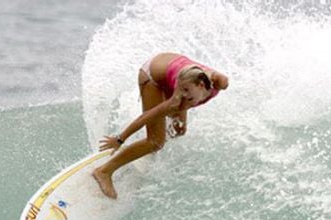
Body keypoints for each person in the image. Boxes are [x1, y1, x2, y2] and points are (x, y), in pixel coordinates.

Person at [92, 52, 229, 199]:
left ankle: (144, 147)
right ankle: (104, 171)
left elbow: (221, 79)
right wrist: (120, 139)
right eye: (182, 93)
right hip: (152, 76)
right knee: (156, 142)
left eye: (188, 96)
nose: (185, 101)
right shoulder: (178, 97)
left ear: (202, 85)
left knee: (179, 130)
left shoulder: (218, 82)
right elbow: (147, 116)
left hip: (174, 69)